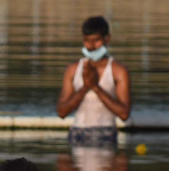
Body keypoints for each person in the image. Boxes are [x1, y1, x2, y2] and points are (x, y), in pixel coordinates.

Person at [56, 16, 131, 146]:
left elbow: (124, 114)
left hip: (106, 133)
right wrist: (85, 87)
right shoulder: (73, 70)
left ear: (107, 39)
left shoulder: (118, 70)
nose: (91, 46)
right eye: (87, 41)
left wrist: (96, 87)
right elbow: (62, 112)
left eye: (96, 40)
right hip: (77, 132)